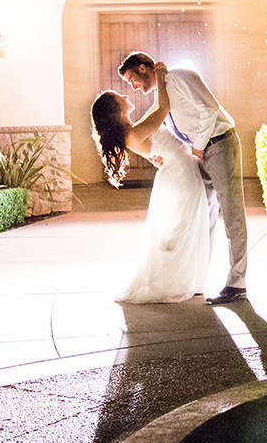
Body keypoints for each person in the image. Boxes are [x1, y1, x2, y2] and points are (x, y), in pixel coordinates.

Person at [118, 51, 248, 304]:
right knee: (204, 216)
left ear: (144, 68)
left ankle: (237, 283)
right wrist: (155, 155)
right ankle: (199, 278)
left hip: (218, 145)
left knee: (232, 215)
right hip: (201, 152)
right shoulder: (164, 90)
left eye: (132, 79)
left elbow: (208, 110)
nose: (133, 86)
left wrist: (198, 146)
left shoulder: (178, 77)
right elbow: (165, 124)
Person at [90, 62, 211, 303]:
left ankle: (182, 280)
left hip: (178, 176)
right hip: (180, 179)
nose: (126, 94)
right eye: (119, 96)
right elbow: (164, 107)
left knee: (180, 229)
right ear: (115, 109)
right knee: (179, 231)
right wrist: (162, 77)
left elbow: (158, 107)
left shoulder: (134, 130)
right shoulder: (134, 134)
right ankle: (172, 283)